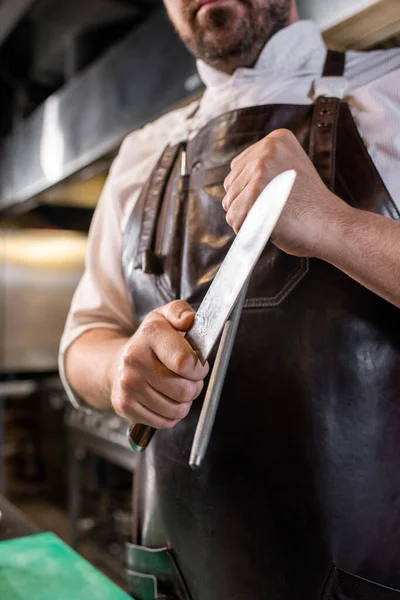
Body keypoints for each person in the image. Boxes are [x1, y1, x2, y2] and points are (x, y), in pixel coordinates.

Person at [60, 1, 400, 598]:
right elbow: (83, 340)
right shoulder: (143, 153)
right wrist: (120, 369)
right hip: (176, 579)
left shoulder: (392, 89)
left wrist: (336, 227)